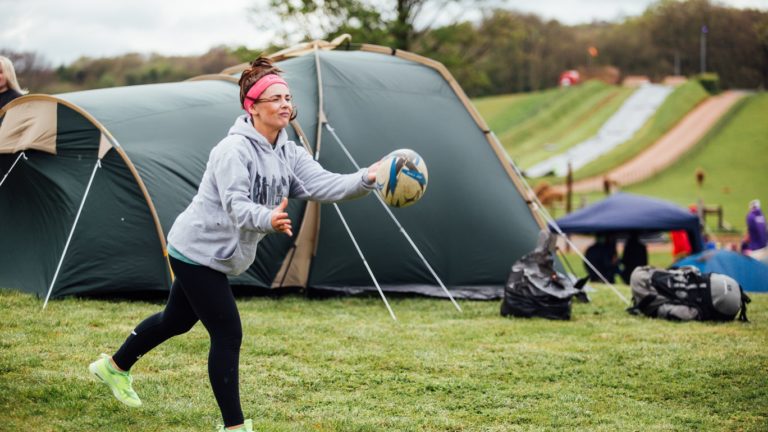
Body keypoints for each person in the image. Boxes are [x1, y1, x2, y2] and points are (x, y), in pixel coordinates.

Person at [88, 57, 381, 432]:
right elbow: (236, 205)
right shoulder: (232, 151)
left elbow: (324, 185)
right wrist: (268, 219)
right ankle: (234, 427)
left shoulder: (289, 153)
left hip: (218, 256)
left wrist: (368, 177)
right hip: (195, 252)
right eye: (275, 98)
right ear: (252, 106)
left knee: (174, 320)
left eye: (288, 97)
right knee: (228, 332)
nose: (285, 104)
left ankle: (112, 368)